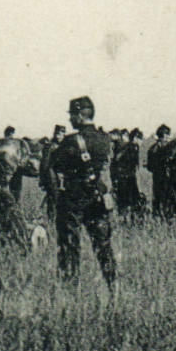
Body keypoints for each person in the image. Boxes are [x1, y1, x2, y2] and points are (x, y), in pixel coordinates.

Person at [45, 96, 117, 291]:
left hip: (74, 197)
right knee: (103, 245)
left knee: (69, 245)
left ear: (79, 115)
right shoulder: (105, 138)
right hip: (98, 197)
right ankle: (112, 286)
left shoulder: (71, 141)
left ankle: (70, 289)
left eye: (72, 115)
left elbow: (56, 164)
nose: (70, 119)